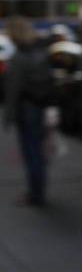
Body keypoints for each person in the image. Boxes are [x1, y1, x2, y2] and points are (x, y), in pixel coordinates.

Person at [3, 16, 52, 207]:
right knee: (37, 151)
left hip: (25, 109)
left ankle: (35, 195)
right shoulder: (39, 51)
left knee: (31, 152)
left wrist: (9, 116)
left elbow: (13, 90)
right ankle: (39, 191)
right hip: (39, 106)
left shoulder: (18, 58)